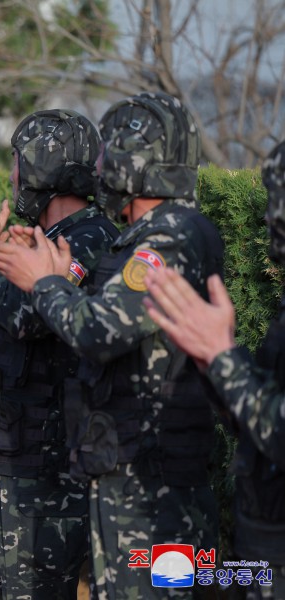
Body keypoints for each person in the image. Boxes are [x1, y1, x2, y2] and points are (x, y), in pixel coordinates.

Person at [0, 92, 224, 598]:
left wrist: (43, 282)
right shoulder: (144, 237)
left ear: (135, 165)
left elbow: (98, 331)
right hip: (131, 477)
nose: (98, 172)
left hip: (156, 493)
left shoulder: (169, 240)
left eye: (107, 159)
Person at [0, 110, 118, 598]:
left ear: (46, 168)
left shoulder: (91, 238)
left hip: (44, 467)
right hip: (8, 450)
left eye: (21, 163)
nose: (16, 175)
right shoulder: (41, 240)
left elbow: (28, 318)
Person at [144, 139, 285, 599]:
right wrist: (212, 362)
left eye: (277, 200)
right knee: (171, 573)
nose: (269, 219)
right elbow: (255, 415)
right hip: (260, 542)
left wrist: (224, 358)